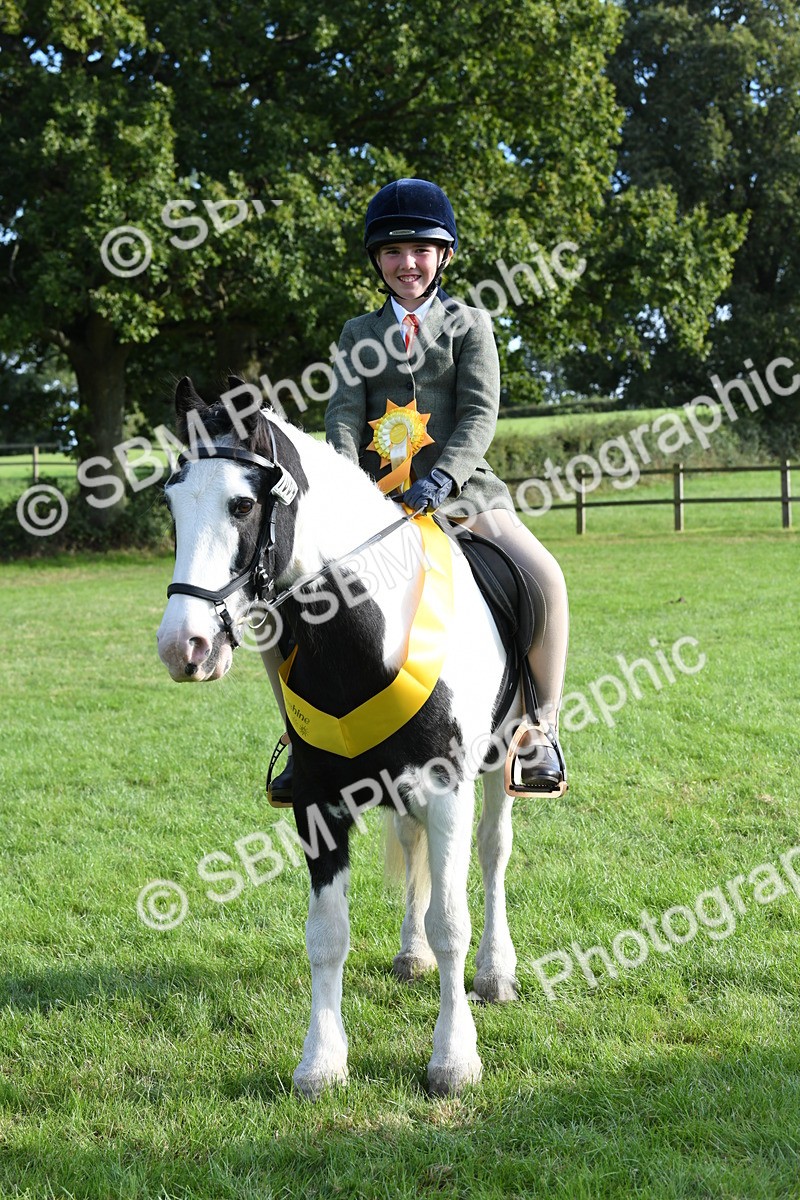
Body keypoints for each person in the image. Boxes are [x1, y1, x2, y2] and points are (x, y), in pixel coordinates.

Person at [266, 177, 569, 802]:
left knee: (546, 579)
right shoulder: (357, 333)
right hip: (370, 505)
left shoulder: (470, 324)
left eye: (421, 250)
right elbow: (344, 416)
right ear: (378, 260)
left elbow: (480, 415)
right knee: (278, 612)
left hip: (463, 496)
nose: (408, 263)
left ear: (445, 256)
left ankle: (539, 730)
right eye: (394, 252)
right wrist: (344, 489)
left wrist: (439, 478)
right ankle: (299, 741)